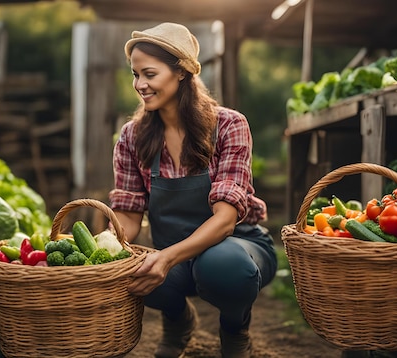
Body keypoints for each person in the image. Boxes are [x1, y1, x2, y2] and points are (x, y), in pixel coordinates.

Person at [109, 22, 278, 358]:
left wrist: (166, 258)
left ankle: (234, 329)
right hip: (176, 257)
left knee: (221, 265)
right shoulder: (132, 136)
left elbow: (227, 220)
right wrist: (105, 254)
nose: (140, 85)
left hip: (239, 245)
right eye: (135, 74)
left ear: (182, 72)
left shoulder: (229, 125)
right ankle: (178, 320)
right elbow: (128, 216)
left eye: (150, 74)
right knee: (128, 269)